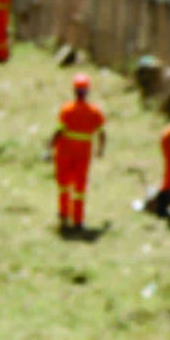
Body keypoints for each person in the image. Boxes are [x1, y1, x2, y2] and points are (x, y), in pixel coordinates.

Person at [51, 72, 106, 230]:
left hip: (64, 152)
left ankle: (63, 216)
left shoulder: (67, 109)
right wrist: (100, 150)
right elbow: (102, 134)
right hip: (83, 154)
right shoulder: (95, 111)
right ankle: (78, 221)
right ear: (87, 91)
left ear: (74, 91)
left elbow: (59, 131)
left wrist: (51, 145)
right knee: (80, 188)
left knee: (64, 186)